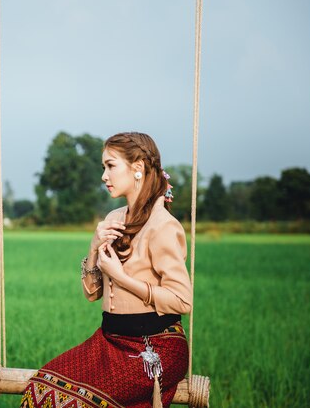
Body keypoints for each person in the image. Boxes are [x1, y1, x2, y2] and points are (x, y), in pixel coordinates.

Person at [20, 132, 193, 408]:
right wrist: (93, 246)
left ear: (137, 167)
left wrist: (122, 277)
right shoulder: (113, 219)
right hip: (109, 341)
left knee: (75, 403)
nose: (104, 175)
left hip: (153, 347)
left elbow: (183, 300)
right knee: (40, 392)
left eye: (110, 165)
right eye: (104, 167)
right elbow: (92, 293)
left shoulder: (163, 225)